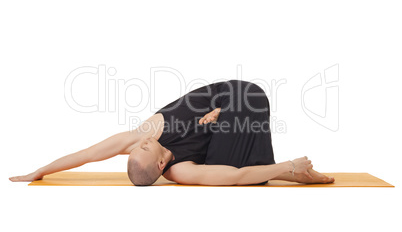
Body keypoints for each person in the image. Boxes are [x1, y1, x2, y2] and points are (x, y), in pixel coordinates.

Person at [9, 80, 335, 186]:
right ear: (159, 166)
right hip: (243, 112)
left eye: (140, 146)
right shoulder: (181, 171)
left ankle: (291, 172)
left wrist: (42, 169)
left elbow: (88, 154)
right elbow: (236, 176)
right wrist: (285, 166)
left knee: (237, 164)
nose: (145, 142)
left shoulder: (144, 133)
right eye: (146, 149)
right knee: (234, 173)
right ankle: (291, 170)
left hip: (239, 94)